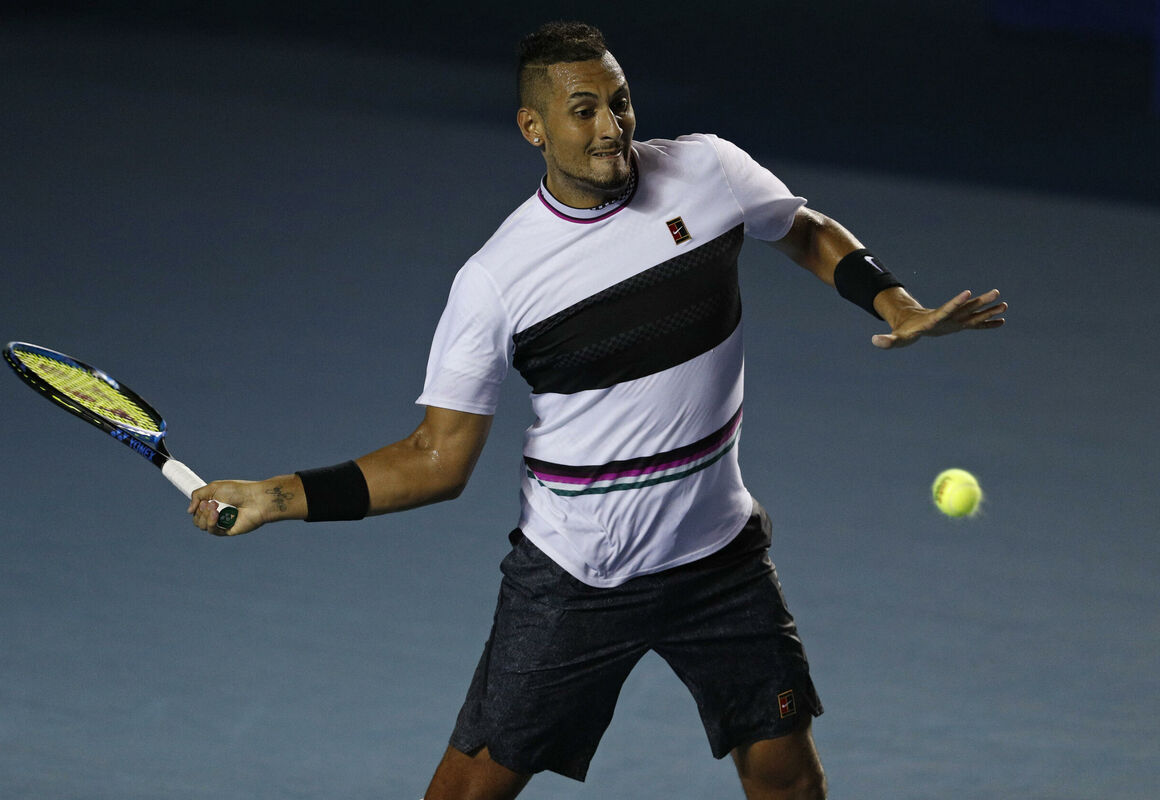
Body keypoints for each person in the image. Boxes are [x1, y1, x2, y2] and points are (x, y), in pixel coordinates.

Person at [189, 21, 1006, 800]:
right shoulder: (497, 281)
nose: (612, 128)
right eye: (583, 111)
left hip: (718, 556)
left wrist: (895, 303)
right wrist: (277, 496)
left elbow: (801, 228)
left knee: (788, 780)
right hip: (576, 576)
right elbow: (436, 461)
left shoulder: (708, 171)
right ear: (534, 128)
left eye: (619, 102)